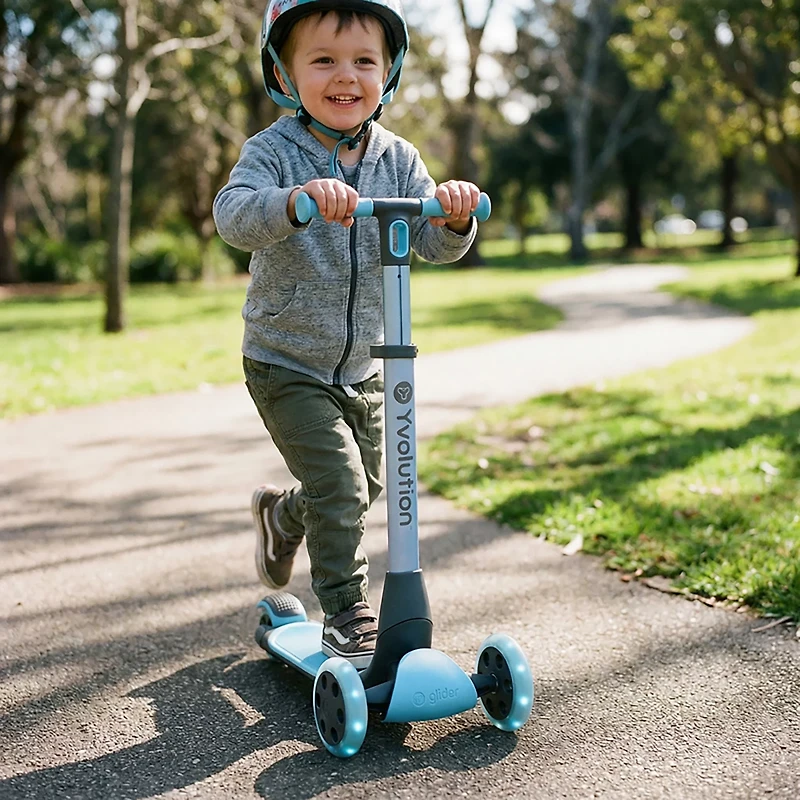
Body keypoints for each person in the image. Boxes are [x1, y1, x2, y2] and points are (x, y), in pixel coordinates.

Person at [213, 0, 482, 669]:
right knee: (339, 485)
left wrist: (451, 217)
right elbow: (234, 215)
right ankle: (347, 614)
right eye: (324, 59)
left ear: (388, 74)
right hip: (285, 361)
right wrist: (297, 201)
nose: (346, 75)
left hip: (364, 366)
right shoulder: (272, 151)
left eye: (365, 60)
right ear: (284, 71)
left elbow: (431, 243)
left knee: (363, 490)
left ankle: (283, 517)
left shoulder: (398, 158)